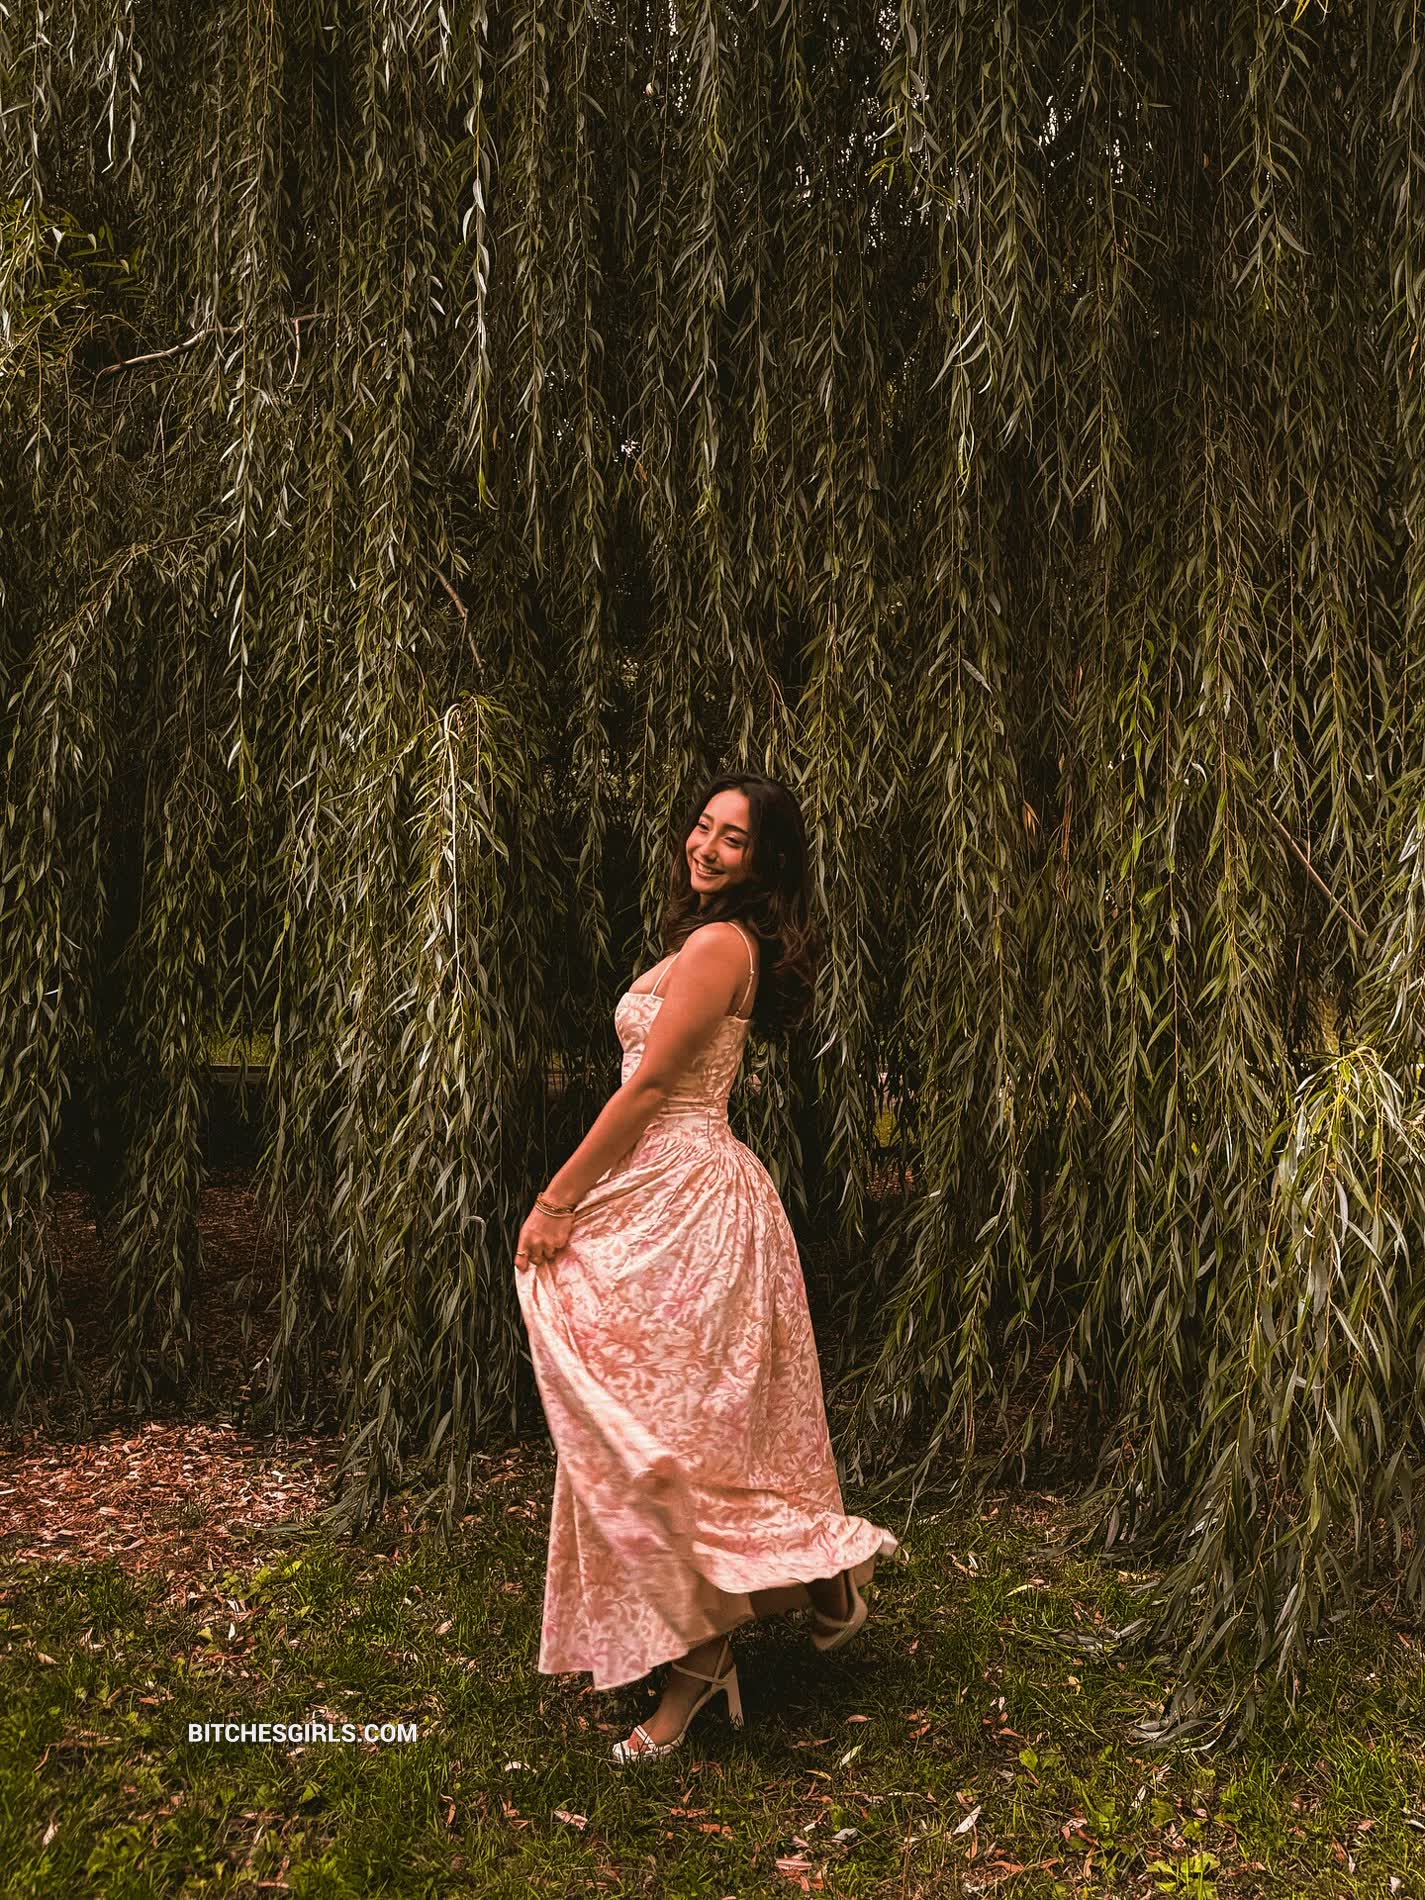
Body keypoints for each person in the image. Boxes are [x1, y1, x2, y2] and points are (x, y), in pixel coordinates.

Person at [514, 772, 900, 1762]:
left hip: (690, 1198)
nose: (707, 846)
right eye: (701, 825)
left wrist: (557, 1198)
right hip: (663, 1189)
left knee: (671, 1437)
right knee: (648, 1430)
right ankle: (803, 1586)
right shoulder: (704, 940)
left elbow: (651, 1087)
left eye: (733, 838)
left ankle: (705, 1662)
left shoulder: (721, 945)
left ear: (765, 861)